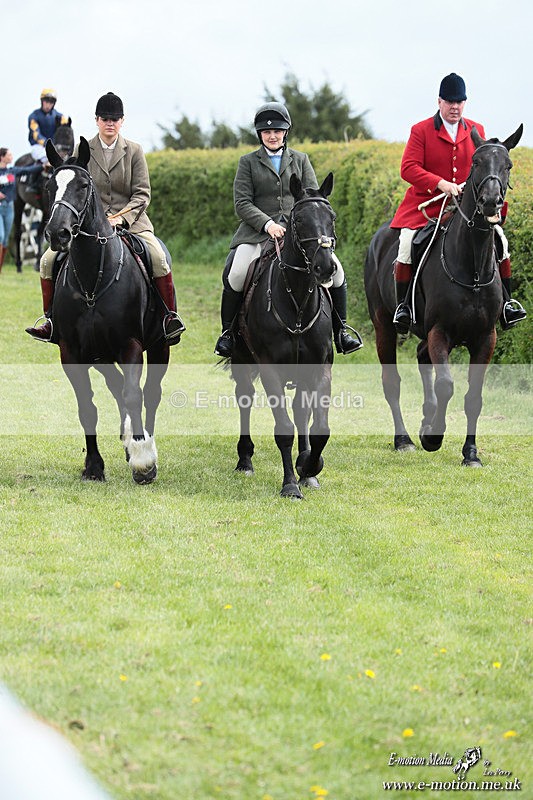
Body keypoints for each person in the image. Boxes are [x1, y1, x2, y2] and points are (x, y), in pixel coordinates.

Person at [26, 91, 185, 344]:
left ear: (122, 121)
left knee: (158, 257)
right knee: (47, 261)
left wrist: (121, 219)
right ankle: (51, 321)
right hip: (89, 225)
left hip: (132, 224)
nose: (110, 123)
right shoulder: (83, 149)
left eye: (115, 119)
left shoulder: (134, 150)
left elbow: (142, 195)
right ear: (97, 120)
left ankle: (168, 318)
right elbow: (73, 188)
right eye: (105, 118)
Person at [214, 101, 362, 357]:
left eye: (278, 131)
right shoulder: (247, 162)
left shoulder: (301, 160)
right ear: (260, 134)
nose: (272, 135)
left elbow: (313, 197)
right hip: (257, 232)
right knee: (237, 274)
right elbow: (242, 203)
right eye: (267, 132)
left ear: (285, 132)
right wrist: (267, 224)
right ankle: (229, 334)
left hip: (299, 232)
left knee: (336, 273)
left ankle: (341, 331)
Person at [390, 72, 526, 334]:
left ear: (465, 103)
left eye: (460, 102)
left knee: (502, 241)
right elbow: (408, 168)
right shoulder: (421, 130)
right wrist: (441, 183)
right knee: (406, 245)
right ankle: (404, 307)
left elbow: (483, 170)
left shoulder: (476, 130)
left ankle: (507, 303)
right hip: (428, 205)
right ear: (439, 102)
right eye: (450, 102)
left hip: (466, 207)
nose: (455, 107)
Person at [0, 147, 42, 271]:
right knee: (1, 237)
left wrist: (43, 166)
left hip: (9, 207)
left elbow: (27, 170)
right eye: (9, 154)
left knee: (6, 239)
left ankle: (0, 268)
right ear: (2, 157)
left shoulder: (12, 171)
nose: (11, 156)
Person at [27, 88, 70, 191]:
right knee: (47, 159)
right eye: (46, 101)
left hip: (55, 146)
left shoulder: (59, 116)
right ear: (42, 101)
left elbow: (66, 130)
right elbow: (36, 135)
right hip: (38, 146)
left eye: (51, 102)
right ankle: (33, 184)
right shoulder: (34, 116)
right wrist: (48, 144)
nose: (48, 104)